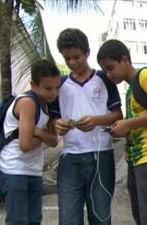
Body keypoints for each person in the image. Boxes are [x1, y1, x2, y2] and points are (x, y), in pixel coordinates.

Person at [97, 39, 147, 225]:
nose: (108, 75)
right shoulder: (130, 90)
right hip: (137, 160)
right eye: (105, 70)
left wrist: (129, 123)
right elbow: (140, 123)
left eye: (111, 68)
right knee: (142, 217)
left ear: (124, 59)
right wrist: (122, 128)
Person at [51, 28, 122, 225]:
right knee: (68, 219)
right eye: (67, 59)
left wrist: (96, 120)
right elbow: (53, 118)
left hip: (101, 156)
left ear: (87, 52)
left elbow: (118, 114)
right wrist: (58, 125)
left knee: (100, 217)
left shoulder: (105, 79)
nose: (72, 62)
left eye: (77, 57)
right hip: (70, 159)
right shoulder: (61, 84)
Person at [0, 60, 60, 225]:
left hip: (33, 170)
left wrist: (39, 133)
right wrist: (44, 136)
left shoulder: (47, 104)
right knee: (18, 220)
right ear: (34, 85)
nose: (53, 93)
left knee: (34, 220)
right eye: (48, 88)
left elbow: (54, 141)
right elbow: (25, 145)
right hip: (14, 168)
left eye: (57, 87)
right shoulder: (27, 103)